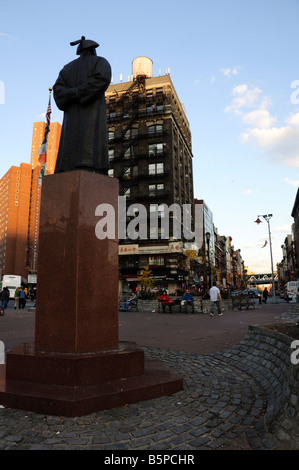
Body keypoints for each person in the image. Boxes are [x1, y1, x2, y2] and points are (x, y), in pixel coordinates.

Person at [53, 36, 112, 174]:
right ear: (92, 50)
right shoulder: (100, 62)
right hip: (92, 112)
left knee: (73, 144)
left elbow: (59, 90)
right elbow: (102, 79)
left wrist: (72, 93)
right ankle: (90, 167)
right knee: (92, 141)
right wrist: (80, 92)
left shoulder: (67, 69)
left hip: (72, 116)